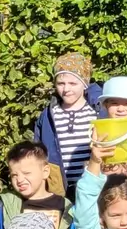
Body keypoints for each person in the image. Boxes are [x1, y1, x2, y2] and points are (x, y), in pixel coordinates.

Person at [32, 52, 102, 196]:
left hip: (94, 185)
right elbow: (38, 151)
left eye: (73, 83)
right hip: (60, 188)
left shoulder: (96, 113)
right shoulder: (48, 116)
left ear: (84, 84)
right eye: (61, 83)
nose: (66, 89)